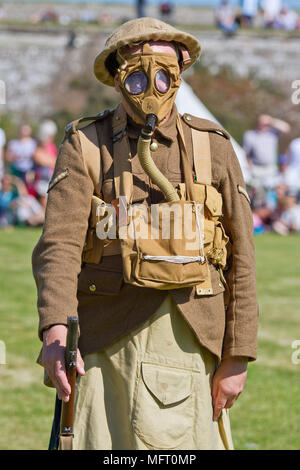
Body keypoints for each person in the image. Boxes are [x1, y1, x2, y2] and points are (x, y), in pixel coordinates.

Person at [32, 17, 258, 450]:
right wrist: (56, 329)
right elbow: (58, 247)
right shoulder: (86, 144)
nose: (150, 86)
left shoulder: (214, 146)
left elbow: (242, 255)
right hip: (103, 341)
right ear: (118, 79)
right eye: (137, 75)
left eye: (162, 74)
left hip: (193, 337)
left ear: (182, 70)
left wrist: (237, 354)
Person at [243, 114, 290, 190]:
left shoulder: (272, 133)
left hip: (270, 169)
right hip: (256, 168)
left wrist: (271, 120)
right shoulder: (250, 134)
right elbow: (246, 153)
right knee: (254, 191)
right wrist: (249, 166)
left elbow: (286, 128)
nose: (262, 125)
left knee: (269, 193)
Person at [32, 119, 58, 210]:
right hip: (42, 178)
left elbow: (55, 161)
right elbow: (39, 158)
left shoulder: (51, 146)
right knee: (44, 198)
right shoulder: (38, 146)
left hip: (51, 177)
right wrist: (51, 160)